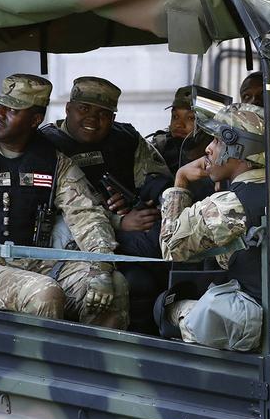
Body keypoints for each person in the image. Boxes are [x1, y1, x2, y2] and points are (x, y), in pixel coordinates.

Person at [0, 74, 128, 327]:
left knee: (113, 287)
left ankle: (98, 364)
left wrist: (102, 267)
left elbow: (88, 215)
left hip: (40, 265)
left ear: (35, 120)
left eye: (12, 109)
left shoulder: (53, 160)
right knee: (44, 293)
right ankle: (47, 365)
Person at [157, 103, 270, 353]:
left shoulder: (227, 205)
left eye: (216, 140)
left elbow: (170, 247)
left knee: (167, 307)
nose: (208, 149)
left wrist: (180, 181)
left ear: (238, 149)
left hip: (265, 334)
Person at [41, 76, 172, 333]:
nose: (92, 119)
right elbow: (43, 213)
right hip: (73, 248)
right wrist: (118, 221)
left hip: (129, 236)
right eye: (84, 109)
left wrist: (141, 205)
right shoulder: (44, 145)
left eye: (104, 114)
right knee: (136, 281)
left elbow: (158, 180)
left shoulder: (126, 140)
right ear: (68, 109)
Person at [146, 85, 215, 200]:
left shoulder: (217, 152)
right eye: (175, 116)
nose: (179, 124)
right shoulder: (160, 147)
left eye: (191, 118)